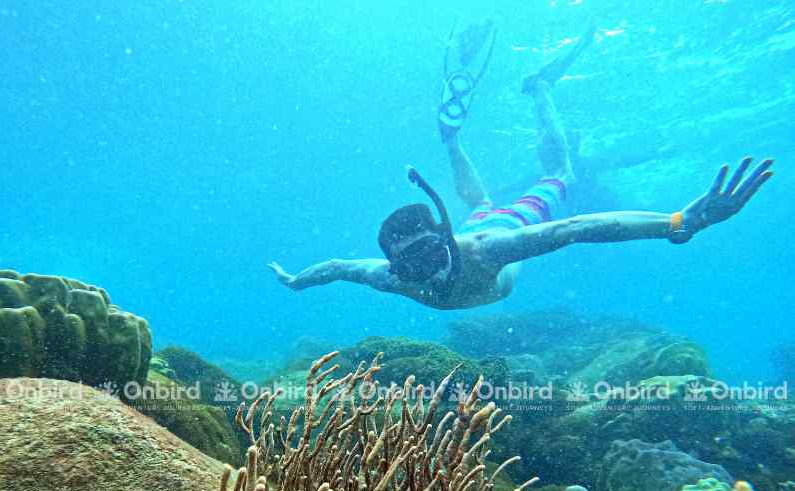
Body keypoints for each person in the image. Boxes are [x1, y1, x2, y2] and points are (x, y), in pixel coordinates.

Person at [269, 21, 774, 310]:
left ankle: (540, 87)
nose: (420, 276)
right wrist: (296, 281)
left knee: (561, 176)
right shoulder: (391, 277)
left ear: (442, 240)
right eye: (407, 266)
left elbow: (580, 226)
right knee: (482, 201)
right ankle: (451, 140)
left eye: (424, 258)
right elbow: (338, 267)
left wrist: (677, 223)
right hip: (476, 221)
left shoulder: (492, 250)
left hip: (502, 225)